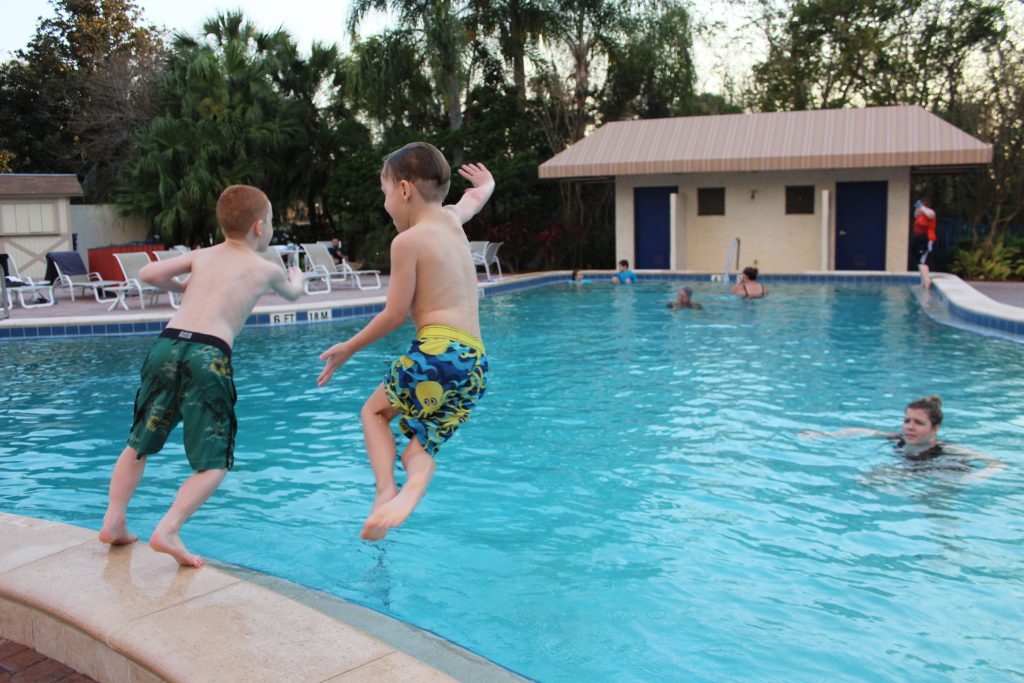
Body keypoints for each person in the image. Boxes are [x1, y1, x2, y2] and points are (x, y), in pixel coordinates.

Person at [98, 185, 306, 568]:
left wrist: (181, 287)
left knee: (139, 441)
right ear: (259, 227)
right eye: (274, 221)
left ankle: (114, 521)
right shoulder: (266, 267)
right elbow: (293, 295)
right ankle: (169, 529)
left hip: (167, 346)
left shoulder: (203, 255)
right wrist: (298, 276)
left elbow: (147, 272)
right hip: (208, 354)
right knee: (214, 462)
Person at [317, 142, 494, 541]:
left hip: (437, 351)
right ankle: (410, 493)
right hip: (475, 364)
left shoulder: (407, 242)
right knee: (419, 448)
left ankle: (385, 492)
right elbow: (473, 201)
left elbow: (394, 315)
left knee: (373, 414)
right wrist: (487, 184)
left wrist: (348, 348)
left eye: (384, 193)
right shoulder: (451, 221)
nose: (385, 205)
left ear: (404, 190)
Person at [799, 395, 1006, 482]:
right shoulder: (898, 438)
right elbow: (860, 430)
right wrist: (826, 435)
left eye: (918, 423)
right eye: (907, 420)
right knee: (870, 479)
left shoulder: (948, 450)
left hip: (943, 469)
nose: (909, 427)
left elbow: (997, 463)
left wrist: (974, 479)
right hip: (912, 468)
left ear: (935, 429)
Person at [912, 198, 937, 289]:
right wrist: (918, 209)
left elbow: (931, 214)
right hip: (919, 240)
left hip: (926, 240)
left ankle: (927, 282)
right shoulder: (920, 215)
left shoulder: (930, 212)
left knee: (923, 261)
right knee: (920, 261)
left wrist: (921, 207)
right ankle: (924, 282)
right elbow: (915, 215)